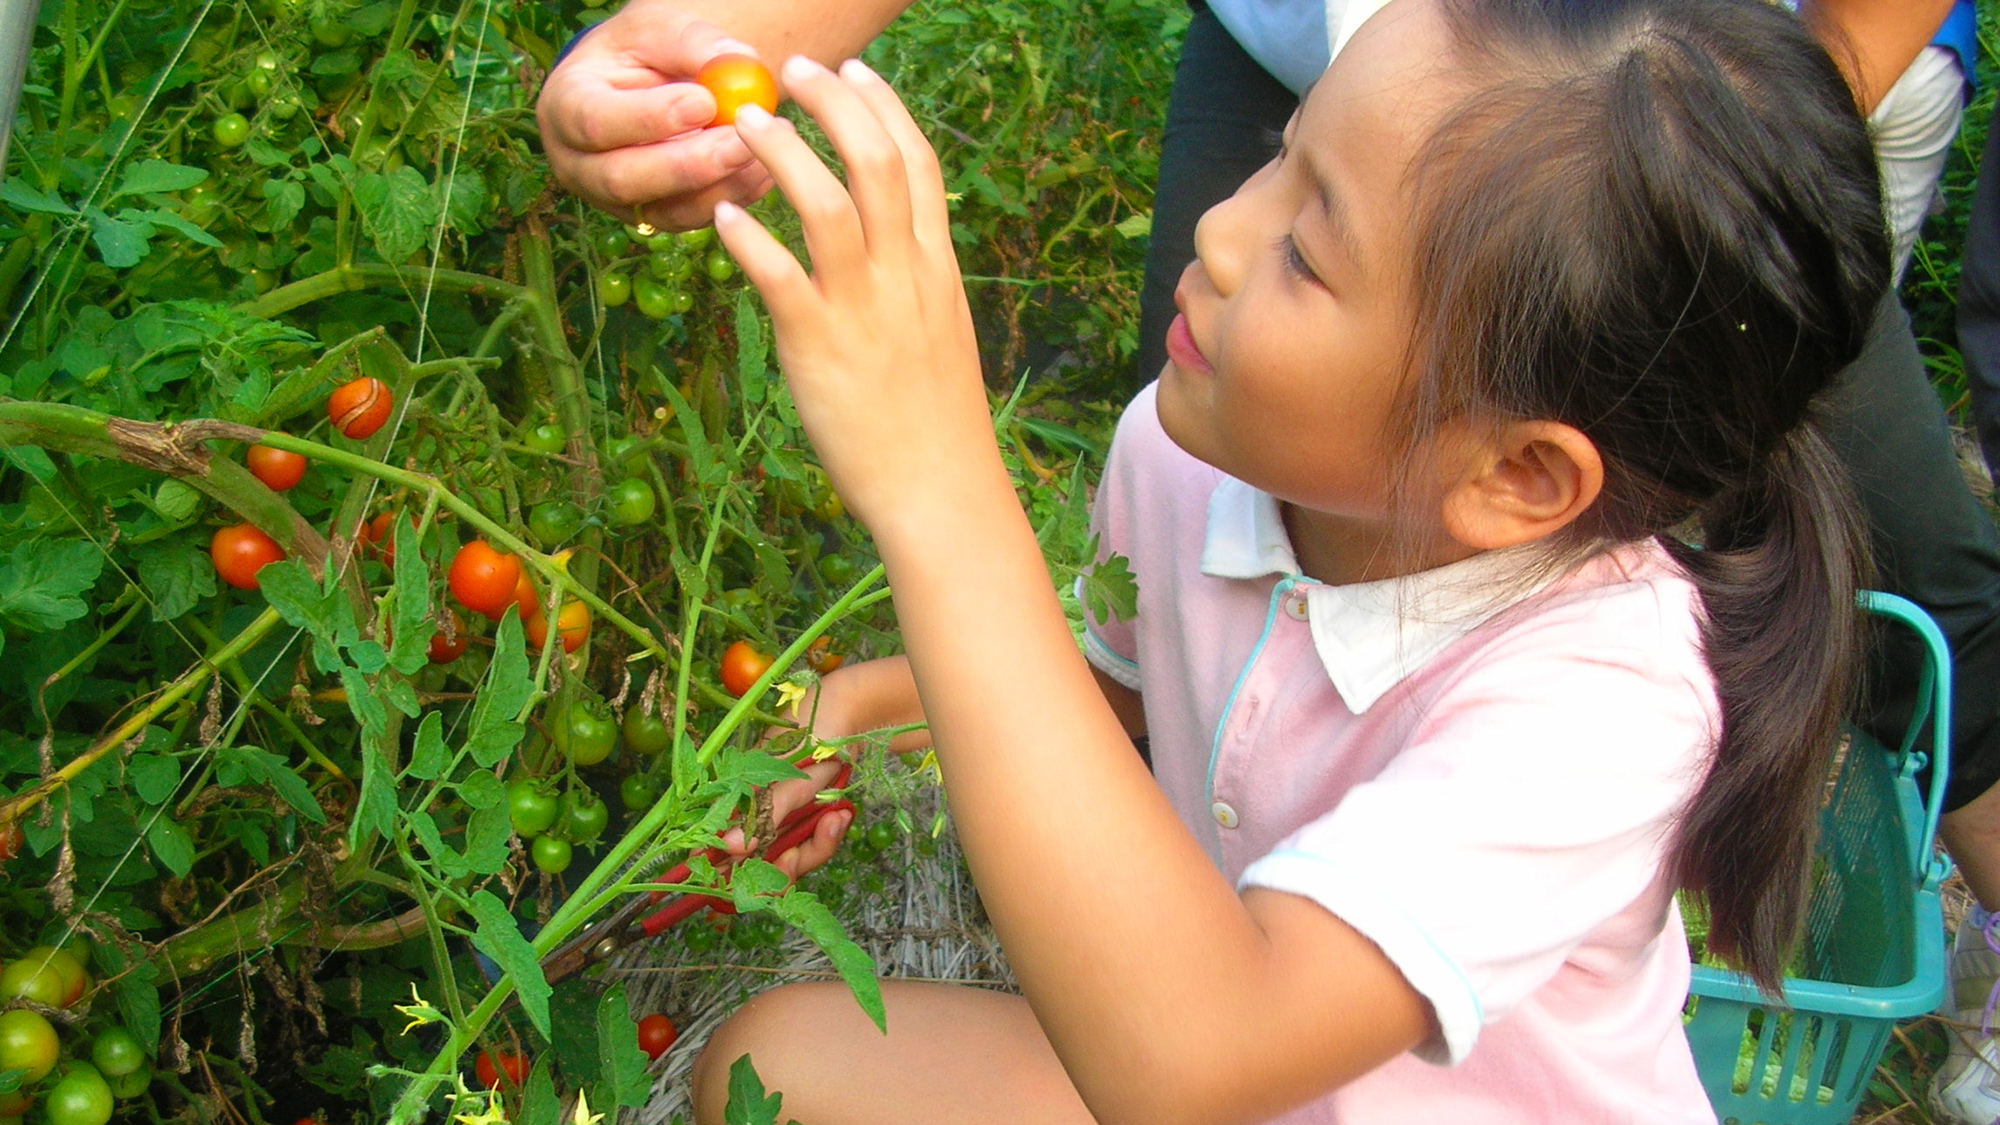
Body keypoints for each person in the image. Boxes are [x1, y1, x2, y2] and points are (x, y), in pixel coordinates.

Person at [670, 0, 1891, 1119]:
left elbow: (1198, 1059)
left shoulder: (1602, 706)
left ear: (1516, 475)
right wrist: (858, 708)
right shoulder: (1181, 450)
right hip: (1201, 1049)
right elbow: (1118, 692)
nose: (1221, 227)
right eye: (1281, 151)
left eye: (1309, 254)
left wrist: (939, 482)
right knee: (762, 1071)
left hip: (1207, 1050)